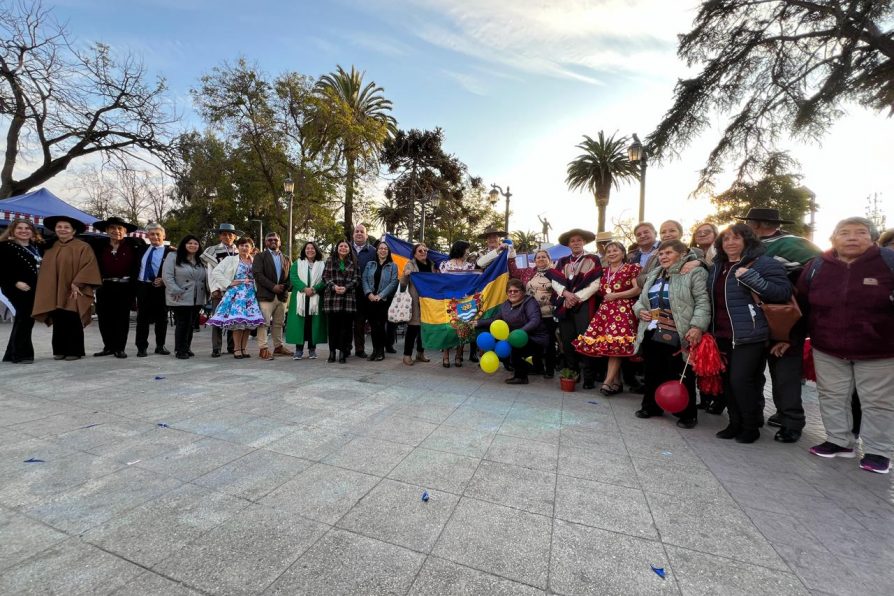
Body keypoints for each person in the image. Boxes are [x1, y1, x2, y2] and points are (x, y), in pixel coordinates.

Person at [798, 217, 894, 474]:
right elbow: (803, 303)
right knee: (831, 395)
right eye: (844, 233)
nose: (852, 237)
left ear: (872, 238)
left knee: (877, 401)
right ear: (833, 239)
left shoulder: (887, 262)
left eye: (860, 233)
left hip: (878, 348)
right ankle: (839, 441)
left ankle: (878, 451)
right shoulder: (818, 265)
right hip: (827, 345)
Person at [708, 224, 792, 443]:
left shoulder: (764, 263)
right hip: (722, 334)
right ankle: (734, 422)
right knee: (727, 381)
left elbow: (782, 292)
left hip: (751, 333)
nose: (730, 243)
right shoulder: (718, 266)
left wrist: (752, 277)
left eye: (736, 238)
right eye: (725, 239)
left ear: (747, 240)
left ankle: (750, 425)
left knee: (742, 380)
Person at [740, 207, 821, 438]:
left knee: (785, 369)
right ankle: (765, 413)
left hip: (785, 317)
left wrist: (798, 319)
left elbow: (814, 278)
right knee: (754, 369)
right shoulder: (751, 246)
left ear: (757, 224)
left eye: (749, 223)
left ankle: (791, 421)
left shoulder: (794, 244)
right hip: (756, 317)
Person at [632, 240, 710, 428]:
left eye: (668, 253)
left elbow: (702, 301)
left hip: (679, 331)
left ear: (682, 254)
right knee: (652, 371)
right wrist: (640, 310)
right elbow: (640, 301)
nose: (663, 256)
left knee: (680, 373)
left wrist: (697, 326)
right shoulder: (654, 274)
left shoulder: (694, 272)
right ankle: (651, 406)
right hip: (652, 330)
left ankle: (686, 413)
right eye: (661, 254)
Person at [573, 241, 641, 395]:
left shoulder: (632, 268)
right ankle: (616, 383)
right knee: (609, 346)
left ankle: (607, 382)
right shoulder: (603, 271)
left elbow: (637, 289)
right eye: (608, 251)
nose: (611, 253)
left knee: (616, 346)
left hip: (623, 310)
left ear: (623, 253)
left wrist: (616, 295)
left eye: (615, 250)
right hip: (605, 311)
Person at [31, 215, 102, 360]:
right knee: (59, 318)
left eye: (66, 227)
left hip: (75, 289)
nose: (62, 230)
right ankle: (59, 349)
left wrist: (78, 283)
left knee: (72, 318)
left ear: (73, 231)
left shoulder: (83, 247)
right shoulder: (50, 247)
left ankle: (74, 351)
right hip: (55, 289)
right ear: (55, 229)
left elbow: (89, 266)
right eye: (59, 227)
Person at [549, 228, 602, 388]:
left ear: (584, 242)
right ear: (568, 244)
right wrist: (566, 294)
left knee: (585, 339)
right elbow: (555, 281)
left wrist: (576, 297)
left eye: (579, 240)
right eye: (573, 241)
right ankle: (572, 372)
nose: (576, 243)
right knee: (567, 339)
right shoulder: (563, 261)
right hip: (565, 303)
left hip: (584, 304)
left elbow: (595, 283)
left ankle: (589, 377)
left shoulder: (592, 259)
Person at [87, 216, 142, 358]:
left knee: (121, 318)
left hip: (125, 287)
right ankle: (108, 347)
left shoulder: (134, 245)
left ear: (124, 231)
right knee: (104, 318)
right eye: (112, 228)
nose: (116, 231)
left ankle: (119, 348)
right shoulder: (98, 245)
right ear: (106, 230)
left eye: (119, 228)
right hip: (104, 286)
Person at [476, 278, 548, 384]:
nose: (512, 293)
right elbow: (495, 320)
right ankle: (512, 364)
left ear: (523, 292)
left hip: (535, 338)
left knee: (515, 342)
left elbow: (535, 320)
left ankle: (521, 376)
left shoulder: (529, 302)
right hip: (514, 336)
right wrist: (478, 323)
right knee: (495, 338)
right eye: (510, 291)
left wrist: (518, 333)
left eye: (516, 291)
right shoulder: (505, 305)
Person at [208, 237, 265, 359]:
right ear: (238, 247)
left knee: (248, 323)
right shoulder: (230, 259)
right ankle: (237, 349)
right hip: (237, 294)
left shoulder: (254, 260)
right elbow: (216, 272)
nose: (244, 248)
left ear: (251, 248)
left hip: (251, 294)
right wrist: (229, 283)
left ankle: (244, 349)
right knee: (238, 322)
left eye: (247, 246)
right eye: (242, 245)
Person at [509, 249, 557, 378]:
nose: (540, 259)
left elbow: (560, 292)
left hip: (547, 315)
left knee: (549, 343)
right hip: (530, 315)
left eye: (543, 257)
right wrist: (511, 253)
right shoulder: (531, 272)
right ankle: (537, 367)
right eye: (538, 257)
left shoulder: (554, 274)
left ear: (549, 259)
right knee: (533, 342)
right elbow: (514, 271)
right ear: (534, 260)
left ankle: (550, 370)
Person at [0, 219, 43, 363]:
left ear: (32, 231)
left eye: (27, 228)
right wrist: (15, 282)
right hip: (16, 288)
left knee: (22, 318)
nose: (24, 231)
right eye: (20, 228)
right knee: (25, 318)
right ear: (13, 230)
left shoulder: (35, 246)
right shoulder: (6, 246)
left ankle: (11, 354)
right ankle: (22, 354)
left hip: (33, 288)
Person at [163, 235, 208, 359]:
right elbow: (167, 276)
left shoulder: (200, 260)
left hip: (197, 297)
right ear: (184, 244)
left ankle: (187, 347)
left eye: (196, 243)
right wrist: (175, 290)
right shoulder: (173, 256)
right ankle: (180, 349)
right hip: (180, 296)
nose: (193, 245)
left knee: (191, 324)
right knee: (183, 323)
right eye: (190, 243)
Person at [200, 223, 241, 357]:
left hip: (236, 290)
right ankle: (216, 347)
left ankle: (231, 346)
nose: (227, 237)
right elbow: (211, 273)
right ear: (219, 236)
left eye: (230, 234)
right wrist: (214, 289)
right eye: (224, 234)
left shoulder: (239, 250)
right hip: (219, 289)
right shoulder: (212, 250)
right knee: (218, 318)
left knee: (233, 318)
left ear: (235, 236)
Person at [134, 223, 174, 357]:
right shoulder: (140, 249)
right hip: (143, 286)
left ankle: (160, 345)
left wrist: (164, 280)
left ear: (164, 236)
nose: (155, 237)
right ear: (147, 236)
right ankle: (141, 347)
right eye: (152, 234)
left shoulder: (171, 252)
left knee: (162, 319)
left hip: (160, 288)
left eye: (158, 234)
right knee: (142, 319)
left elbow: (175, 271)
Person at [253, 232, 293, 360]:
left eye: (275, 239)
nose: (273, 242)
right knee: (264, 323)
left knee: (279, 323)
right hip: (266, 295)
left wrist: (284, 287)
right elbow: (258, 275)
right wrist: (273, 287)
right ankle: (263, 349)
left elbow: (291, 276)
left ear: (280, 242)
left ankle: (278, 347)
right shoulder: (260, 256)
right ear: (266, 243)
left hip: (282, 296)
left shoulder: (286, 258)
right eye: (269, 240)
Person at [286, 241, 327, 360]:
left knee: (312, 324)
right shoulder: (297, 263)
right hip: (300, 299)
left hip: (315, 298)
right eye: (307, 248)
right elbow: (293, 277)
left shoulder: (322, 264)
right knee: (300, 324)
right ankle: (298, 350)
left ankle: (312, 350)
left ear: (316, 250)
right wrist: (304, 288)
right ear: (304, 250)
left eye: (312, 248)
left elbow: (325, 279)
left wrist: (315, 289)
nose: (310, 250)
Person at [439, 240, 476, 367]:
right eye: (467, 249)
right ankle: (445, 356)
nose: (468, 252)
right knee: (448, 328)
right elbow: (443, 282)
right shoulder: (445, 265)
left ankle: (459, 355)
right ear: (460, 249)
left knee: (463, 328)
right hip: (449, 301)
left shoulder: (470, 266)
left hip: (465, 301)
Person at [323, 239, 359, 363]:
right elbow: (325, 277)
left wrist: (346, 287)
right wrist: (334, 287)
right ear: (337, 248)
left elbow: (356, 279)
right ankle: (332, 352)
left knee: (346, 328)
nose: (343, 248)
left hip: (348, 299)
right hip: (332, 299)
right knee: (332, 328)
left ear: (349, 249)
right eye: (341, 246)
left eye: (346, 246)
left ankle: (343, 353)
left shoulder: (354, 262)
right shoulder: (330, 260)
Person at [362, 241, 399, 361]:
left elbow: (393, 282)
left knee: (380, 325)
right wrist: (369, 294)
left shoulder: (393, 266)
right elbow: (364, 280)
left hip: (384, 300)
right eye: (381, 248)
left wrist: (381, 295)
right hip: (370, 299)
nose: (383, 250)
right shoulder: (370, 264)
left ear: (388, 252)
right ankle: (374, 351)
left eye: (385, 249)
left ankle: (381, 351)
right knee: (373, 326)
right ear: (377, 251)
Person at [400, 243, 433, 366]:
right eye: (420, 251)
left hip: (428, 301)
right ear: (414, 253)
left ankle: (420, 353)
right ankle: (407, 355)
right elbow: (403, 284)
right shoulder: (410, 264)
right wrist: (406, 274)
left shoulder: (431, 265)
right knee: (413, 329)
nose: (423, 252)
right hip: (415, 302)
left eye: (425, 250)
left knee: (424, 329)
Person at [350, 224, 377, 358]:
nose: (359, 233)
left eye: (362, 232)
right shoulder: (345, 248)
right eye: (357, 231)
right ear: (353, 234)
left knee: (360, 323)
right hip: (347, 292)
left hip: (365, 293)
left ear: (366, 235)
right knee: (346, 322)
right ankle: (345, 348)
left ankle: (359, 349)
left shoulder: (373, 251)